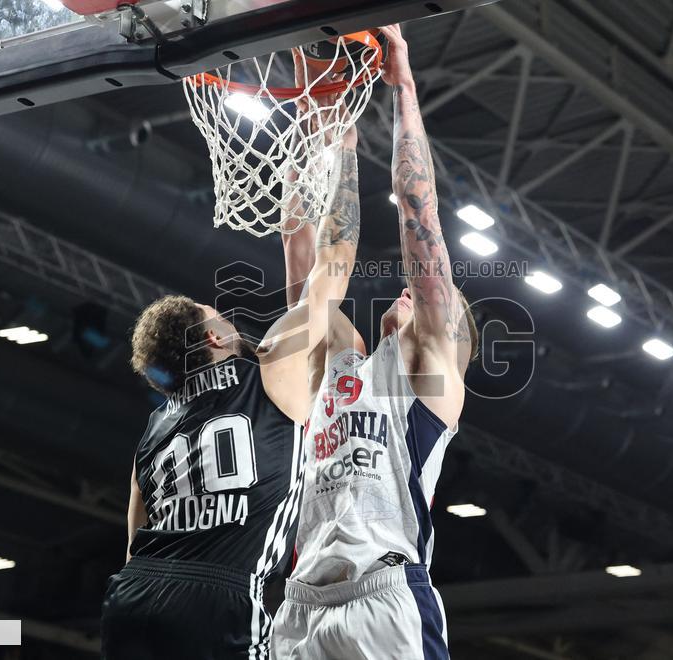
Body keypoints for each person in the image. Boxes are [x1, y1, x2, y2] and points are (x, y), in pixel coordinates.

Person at [100, 112, 363, 658]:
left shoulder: (156, 426)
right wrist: (345, 158)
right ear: (215, 341)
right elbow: (330, 273)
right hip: (221, 592)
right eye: (216, 314)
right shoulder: (268, 367)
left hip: (134, 593)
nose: (227, 317)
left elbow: (134, 539)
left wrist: (297, 171)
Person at [272, 24, 478, 660]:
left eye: (433, 301)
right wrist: (328, 125)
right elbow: (301, 254)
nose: (413, 293)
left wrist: (405, 88)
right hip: (301, 601)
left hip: (385, 596)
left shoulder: (429, 378)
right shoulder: (341, 365)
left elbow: (421, 219)